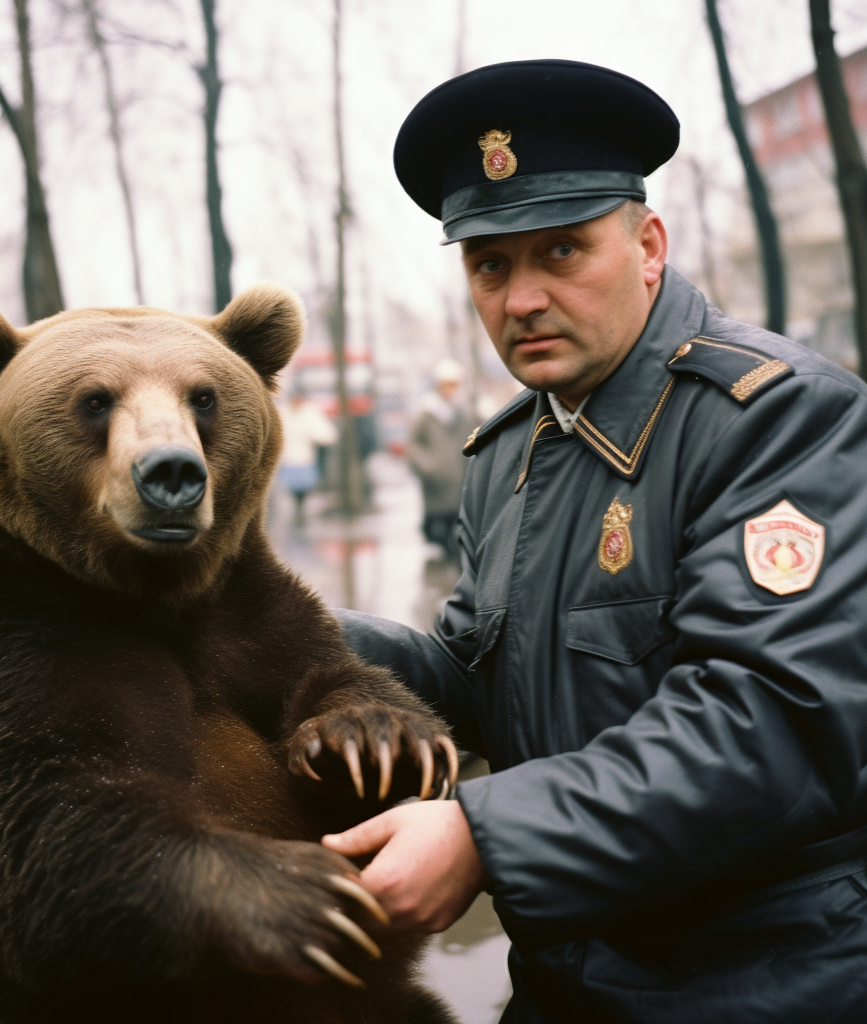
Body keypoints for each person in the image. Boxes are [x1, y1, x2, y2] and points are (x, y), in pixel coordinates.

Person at [327, 60, 867, 1023]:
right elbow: (473, 679)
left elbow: (767, 724)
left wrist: (483, 839)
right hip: (567, 978)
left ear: (648, 245)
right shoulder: (510, 452)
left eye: (562, 252)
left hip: (762, 977)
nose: (521, 297)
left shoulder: (779, 418)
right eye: (490, 264)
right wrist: (282, 630)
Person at [407, 358, 473, 560]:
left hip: (460, 479)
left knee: (458, 523)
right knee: (438, 526)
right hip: (436, 483)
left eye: (453, 385)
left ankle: (454, 561)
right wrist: (428, 467)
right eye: (445, 385)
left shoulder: (464, 412)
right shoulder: (426, 413)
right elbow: (413, 445)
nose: (449, 390)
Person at [277, 388, 338, 523]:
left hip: (306, 456)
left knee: (304, 484)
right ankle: (298, 505)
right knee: (291, 484)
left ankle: (300, 505)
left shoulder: (310, 412)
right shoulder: (284, 412)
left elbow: (324, 433)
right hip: (288, 457)